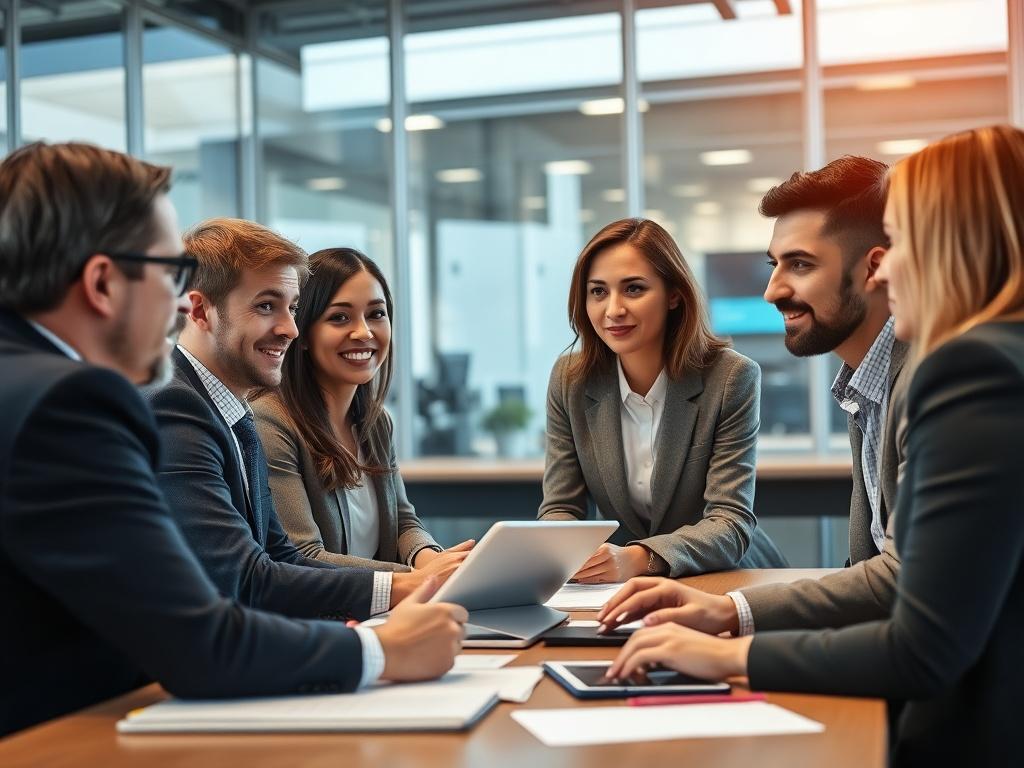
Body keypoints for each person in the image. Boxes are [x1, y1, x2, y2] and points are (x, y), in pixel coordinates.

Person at [0, 143, 466, 737]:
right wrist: (383, 653)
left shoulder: (34, 385)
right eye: (171, 275)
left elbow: (263, 569)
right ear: (102, 283)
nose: (177, 309)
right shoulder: (67, 404)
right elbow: (195, 639)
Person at [605, 125, 1024, 767]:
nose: (888, 269)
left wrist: (725, 654)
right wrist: (733, 613)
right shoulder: (912, 373)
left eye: (903, 242)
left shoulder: (970, 369)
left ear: (955, 245)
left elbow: (923, 645)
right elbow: (905, 575)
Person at [599, 157, 910, 636]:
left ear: (873, 268)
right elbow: (869, 575)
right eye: (774, 265)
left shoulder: (930, 375)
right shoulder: (864, 382)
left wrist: (733, 620)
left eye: (800, 264)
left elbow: (903, 581)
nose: (771, 291)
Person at [148, 219, 459, 620]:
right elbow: (246, 579)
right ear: (199, 310)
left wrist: (423, 575)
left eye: (292, 308)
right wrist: (413, 585)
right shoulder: (175, 408)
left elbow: (281, 556)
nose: (290, 329)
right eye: (266, 306)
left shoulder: (232, 411)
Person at [538, 217, 786, 582]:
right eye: (598, 291)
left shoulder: (731, 377)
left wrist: (639, 559)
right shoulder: (570, 379)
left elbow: (729, 522)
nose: (613, 310)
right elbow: (560, 507)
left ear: (674, 294)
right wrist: (565, 553)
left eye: (634, 289)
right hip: (617, 585)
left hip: (721, 576)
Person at [252, 247, 473, 572]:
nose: (364, 332)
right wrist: (418, 578)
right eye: (339, 317)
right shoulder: (271, 422)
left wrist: (436, 560)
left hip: (383, 610)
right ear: (304, 333)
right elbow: (303, 557)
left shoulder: (375, 422)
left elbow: (402, 521)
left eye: (376, 314)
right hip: (326, 617)